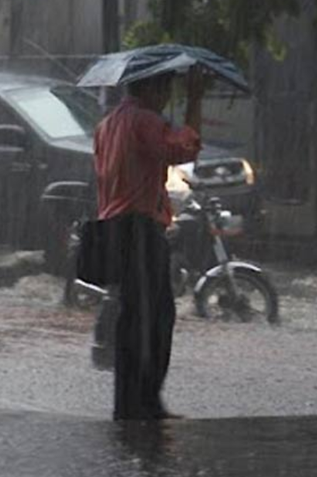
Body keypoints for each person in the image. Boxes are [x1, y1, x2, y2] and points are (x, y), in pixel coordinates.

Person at [93, 70, 204, 420]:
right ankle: (146, 400)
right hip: (140, 228)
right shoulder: (144, 121)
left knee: (132, 316)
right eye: (167, 88)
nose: (168, 97)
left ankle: (128, 403)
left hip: (114, 227)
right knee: (156, 317)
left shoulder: (108, 124)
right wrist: (196, 101)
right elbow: (183, 151)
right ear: (152, 88)